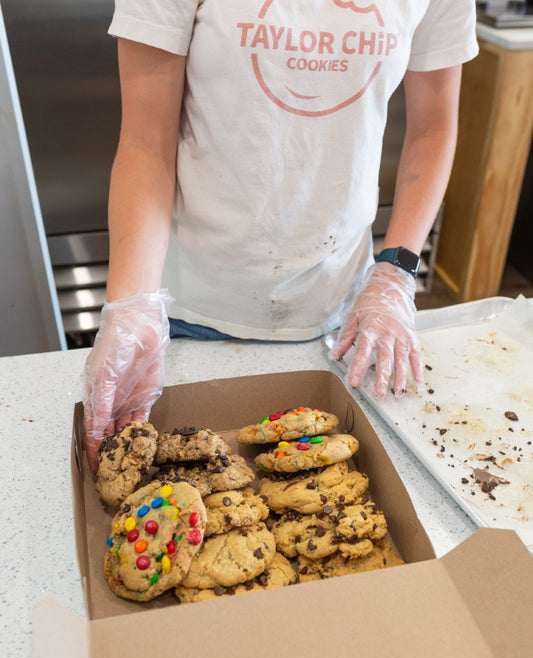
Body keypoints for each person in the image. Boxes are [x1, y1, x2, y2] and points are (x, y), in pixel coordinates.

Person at [83, 0, 479, 472]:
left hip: (345, 318)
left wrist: (395, 269)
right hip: (192, 309)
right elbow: (146, 141)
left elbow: (433, 127)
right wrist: (132, 307)